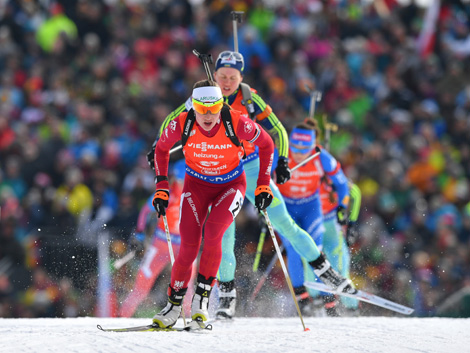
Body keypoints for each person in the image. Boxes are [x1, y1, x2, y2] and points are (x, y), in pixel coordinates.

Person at [150, 51, 355, 320]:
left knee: (284, 223)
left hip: (251, 166)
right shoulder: (204, 97)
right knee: (221, 236)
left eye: (232, 78)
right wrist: (159, 143)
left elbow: (278, 131)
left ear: (241, 77)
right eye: (222, 76)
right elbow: (172, 121)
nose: (225, 82)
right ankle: (226, 297)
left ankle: (326, 271)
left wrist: (281, 161)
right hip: (216, 174)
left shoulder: (249, 97)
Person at [151, 79, 275, 328]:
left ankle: (201, 301)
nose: (207, 115)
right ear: (193, 106)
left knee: (214, 233)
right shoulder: (181, 123)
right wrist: (162, 187)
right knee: (187, 246)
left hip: (230, 186)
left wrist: (263, 184)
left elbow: (267, 144)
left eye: (214, 107)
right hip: (196, 186)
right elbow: (161, 149)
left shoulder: (237, 121)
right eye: (201, 108)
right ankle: (173, 305)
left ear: (221, 104)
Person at [276, 118, 354, 316]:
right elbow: (262, 180)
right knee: (293, 250)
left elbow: (343, 184)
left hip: (310, 207)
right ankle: (303, 299)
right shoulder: (281, 154)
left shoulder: (321, 157)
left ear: (312, 145)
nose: (300, 154)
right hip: (286, 208)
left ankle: (327, 298)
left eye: (305, 149)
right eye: (295, 148)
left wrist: (342, 207)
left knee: (315, 251)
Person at [118, 161, 197, 318]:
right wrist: (140, 232)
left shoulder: (197, 194)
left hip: (184, 245)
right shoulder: (166, 192)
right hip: (161, 243)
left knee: (187, 286)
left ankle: (191, 318)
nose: (181, 184)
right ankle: (122, 317)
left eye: (185, 180)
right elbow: (146, 211)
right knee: (142, 284)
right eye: (179, 180)